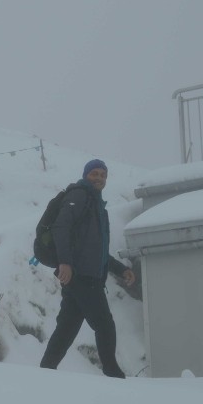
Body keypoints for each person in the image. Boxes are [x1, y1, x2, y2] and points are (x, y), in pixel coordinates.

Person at [39, 159, 136, 378]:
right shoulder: (79, 196)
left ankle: (45, 371)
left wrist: (120, 269)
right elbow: (60, 227)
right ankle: (112, 372)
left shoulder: (97, 206)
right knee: (105, 325)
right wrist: (64, 262)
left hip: (84, 275)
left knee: (67, 328)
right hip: (82, 276)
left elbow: (97, 252)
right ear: (85, 175)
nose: (99, 178)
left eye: (103, 174)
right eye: (94, 173)